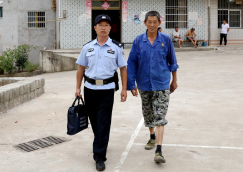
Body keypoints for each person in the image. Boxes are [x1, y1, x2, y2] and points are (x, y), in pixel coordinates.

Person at [75, 14, 128, 171]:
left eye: (106, 25)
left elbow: (123, 69)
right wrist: (77, 88)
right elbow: (80, 69)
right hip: (90, 89)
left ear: (110, 28)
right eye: (100, 25)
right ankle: (101, 141)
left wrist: (124, 88)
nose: (103, 27)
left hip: (107, 90)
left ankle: (99, 156)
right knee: (95, 121)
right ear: (95, 28)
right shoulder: (87, 47)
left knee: (103, 121)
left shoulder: (116, 48)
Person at [127, 11, 179, 164]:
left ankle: (159, 150)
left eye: (154, 22)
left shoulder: (166, 40)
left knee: (160, 116)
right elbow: (132, 64)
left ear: (159, 23)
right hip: (144, 83)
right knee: (148, 112)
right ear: (145, 23)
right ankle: (151, 136)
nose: (152, 25)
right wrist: (131, 84)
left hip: (162, 83)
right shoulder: (138, 41)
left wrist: (174, 80)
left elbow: (173, 62)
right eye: (149, 22)